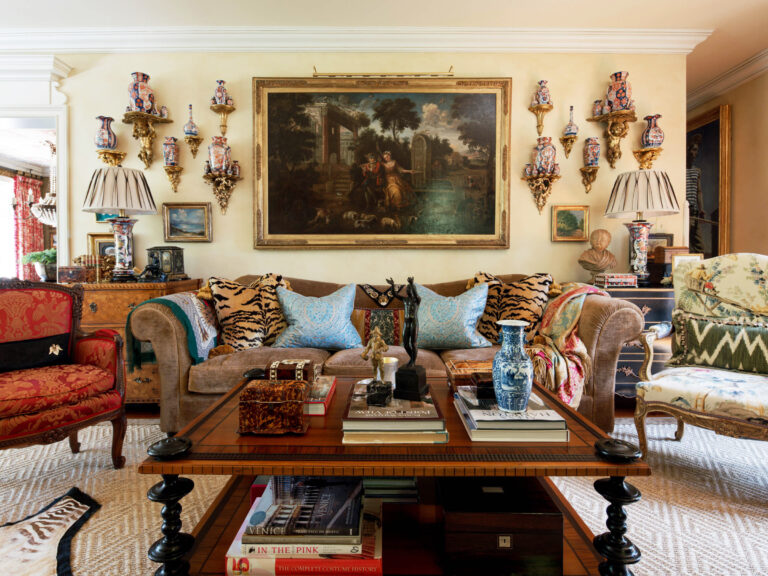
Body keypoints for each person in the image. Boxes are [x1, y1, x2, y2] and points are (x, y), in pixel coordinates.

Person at [388, 276, 420, 367]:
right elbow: (395, 294)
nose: (408, 290)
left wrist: (412, 284)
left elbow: (416, 295)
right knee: (405, 344)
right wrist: (392, 285)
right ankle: (412, 358)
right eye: (407, 289)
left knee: (413, 343)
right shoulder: (405, 300)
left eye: (409, 289)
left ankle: (413, 362)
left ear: (413, 290)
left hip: (414, 322)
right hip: (407, 323)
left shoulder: (417, 300)